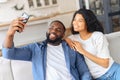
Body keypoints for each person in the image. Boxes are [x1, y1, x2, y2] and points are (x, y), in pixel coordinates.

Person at [2, 18, 92, 80]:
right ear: (47, 31)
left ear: (63, 35)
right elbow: (8, 54)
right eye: (51, 28)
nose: (53, 30)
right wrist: (10, 34)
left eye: (58, 30)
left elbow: (84, 72)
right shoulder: (35, 48)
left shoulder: (71, 47)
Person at [65, 8, 120, 80]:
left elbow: (105, 63)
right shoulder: (73, 38)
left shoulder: (98, 36)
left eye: (80, 21)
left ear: (87, 22)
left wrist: (83, 51)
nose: (75, 22)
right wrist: (67, 40)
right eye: (74, 20)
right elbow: (61, 38)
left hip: (114, 71)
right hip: (99, 78)